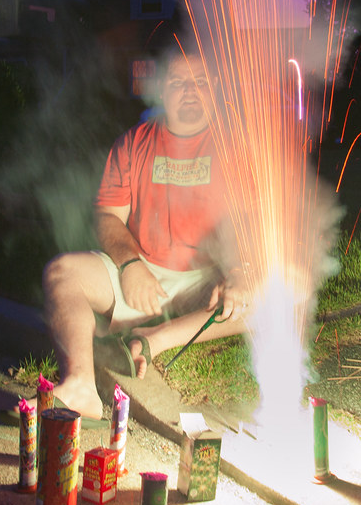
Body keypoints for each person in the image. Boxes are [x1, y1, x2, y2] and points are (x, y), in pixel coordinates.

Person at [42, 46, 251, 424]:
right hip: (142, 276)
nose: (190, 91)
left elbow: (248, 223)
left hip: (204, 284)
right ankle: (80, 388)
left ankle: (150, 340)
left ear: (215, 88)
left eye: (200, 82)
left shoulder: (233, 147)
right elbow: (108, 216)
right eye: (178, 82)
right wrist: (130, 264)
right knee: (62, 273)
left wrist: (237, 275)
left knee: (273, 293)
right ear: (161, 89)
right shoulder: (134, 142)